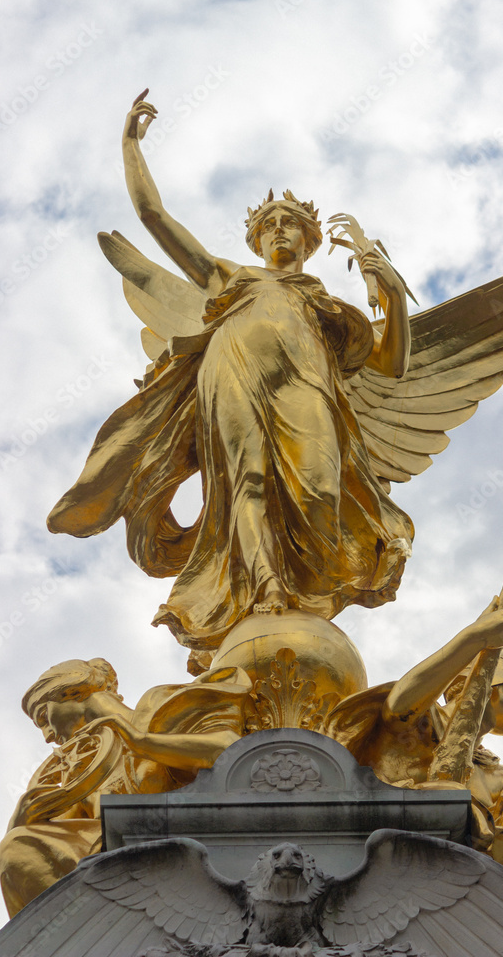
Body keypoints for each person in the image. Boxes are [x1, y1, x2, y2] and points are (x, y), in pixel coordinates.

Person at [48, 92, 415, 675]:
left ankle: (310, 586)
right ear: (256, 239)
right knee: (246, 481)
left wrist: (392, 292)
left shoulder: (326, 305)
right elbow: (154, 217)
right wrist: (130, 147)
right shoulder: (231, 276)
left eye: (289, 224)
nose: (278, 231)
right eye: (268, 225)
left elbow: (392, 363)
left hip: (307, 388)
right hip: (232, 374)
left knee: (319, 488)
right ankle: (265, 585)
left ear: (309, 240)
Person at [325, 601, 503, 937]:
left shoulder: (496, 771)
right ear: (494, 680)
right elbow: (397, 709)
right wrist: (474, 638)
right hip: (391, 860)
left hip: (467, 884)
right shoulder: (425, 719)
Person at [0, 657, 251, 916]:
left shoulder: (156, 708)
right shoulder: (79, 771)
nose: (48, 735)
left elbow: (231, 749)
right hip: (112, 863)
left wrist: (141, 742)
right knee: (15, 847)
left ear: (71, 692)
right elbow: (38, 844)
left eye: (44, 718)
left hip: (188, 846)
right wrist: (21, 819)